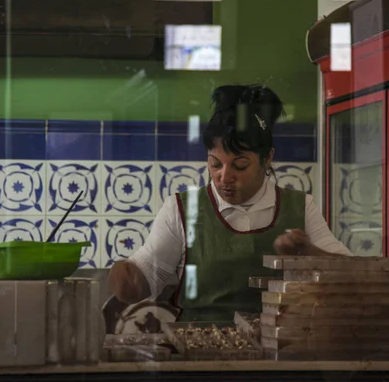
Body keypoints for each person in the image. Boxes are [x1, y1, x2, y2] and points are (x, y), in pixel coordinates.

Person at [108, 84, 353, 322]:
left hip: (280, 351)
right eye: (215, 164)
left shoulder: (300, 208)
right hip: (199, 354)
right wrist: (126, 277)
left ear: (267, 158)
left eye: (240, 165)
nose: (224, 177)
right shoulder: (181, 210)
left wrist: (309, 253)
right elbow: (141, 280)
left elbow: (352, 278)